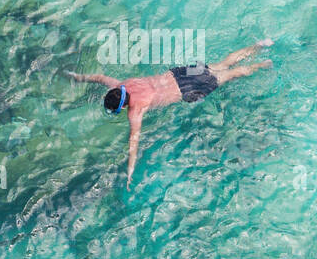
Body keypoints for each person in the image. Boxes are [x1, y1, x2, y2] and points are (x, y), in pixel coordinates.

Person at [66, 39, 274, 184]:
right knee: (222, 64)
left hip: (188, 90)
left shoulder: (136, 110)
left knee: (231, 75)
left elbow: (134, 141)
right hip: (178, 74)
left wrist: (129, 171)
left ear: (122, 107)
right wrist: (77, 76)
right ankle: (260, 45)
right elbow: (100, 77)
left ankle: (264, 64)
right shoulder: (123, 84)